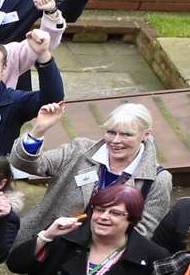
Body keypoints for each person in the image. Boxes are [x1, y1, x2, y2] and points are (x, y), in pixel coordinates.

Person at [6, 183, 167, 275]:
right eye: (99, 210)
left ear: (132, 219)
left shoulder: (152, 257)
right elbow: (16, 265)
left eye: (115, 213)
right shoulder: (65, 233)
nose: (103, 217)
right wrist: (46, 236)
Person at [15, 102, 175, 241]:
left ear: (146, 135)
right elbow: (26, 164)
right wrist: (38, 131)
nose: (116, 140)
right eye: (111, 132)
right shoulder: (79, 150)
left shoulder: (158, 179)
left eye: (126, 135)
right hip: (51, 244)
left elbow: (143, 232)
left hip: (102, 259)